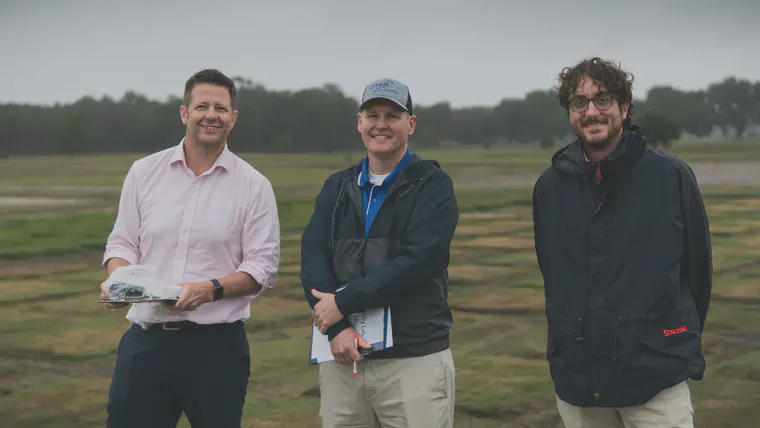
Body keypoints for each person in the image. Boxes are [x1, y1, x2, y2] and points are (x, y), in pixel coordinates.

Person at [531, 57, 713, 428]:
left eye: (603, 99)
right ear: (569, 112)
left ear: (624, 107)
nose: (591, 111)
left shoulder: (670, 176)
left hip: (654, 374)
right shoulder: (549, 186)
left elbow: (699, 272)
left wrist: (672, 336)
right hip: (578, 380)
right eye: (579, 103)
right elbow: (552, 273)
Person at [100, 68, 280, 428]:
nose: (211, 115)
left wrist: (209, 290)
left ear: (233, 118)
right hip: (146, 343)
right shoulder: (143, 172)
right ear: (185, 113)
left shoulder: (254, 186)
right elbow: (122, 242)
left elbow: (261, 269)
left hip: (216, 347)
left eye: (220, 108)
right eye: (202, 106)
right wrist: (119, 281)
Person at [300, 78, 459, 427]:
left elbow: (420, 260)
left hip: (413, 359)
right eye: (372, 115)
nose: (381, 124)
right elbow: (313, 257)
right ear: (359, 122)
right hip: (343, 357)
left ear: (411, 124)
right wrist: (336, 327)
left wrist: (343, 302)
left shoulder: (432, 185)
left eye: (393, 115)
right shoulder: (337, 186)